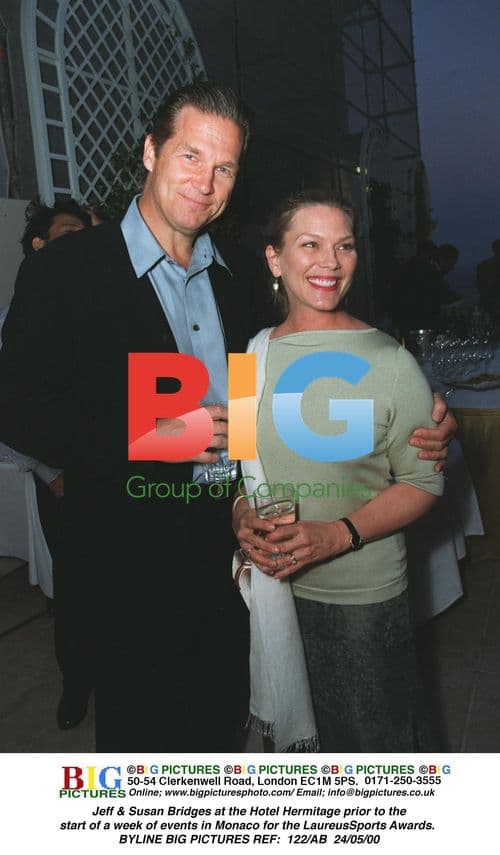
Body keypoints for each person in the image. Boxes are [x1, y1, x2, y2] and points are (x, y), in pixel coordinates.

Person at [0, 83, 454, 751]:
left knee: (224, 736)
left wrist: (417, 408)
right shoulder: (66, 270)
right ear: (151, 152)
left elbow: (291, 364)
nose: (205, 182)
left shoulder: (237, 276)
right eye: (190, 156)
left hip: (233, 556)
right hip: (126, 565)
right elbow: (17, 410)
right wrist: (146, 433)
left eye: (225, 168)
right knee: (146, 755)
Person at [232, 189, 445, 752]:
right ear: (275, 258)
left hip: (361, 598)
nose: (330, 261)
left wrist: (336, 534)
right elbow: (239, 470)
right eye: (310, 244)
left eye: (344, 246)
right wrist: (240, 515)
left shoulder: (389, 360)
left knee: (374, 755)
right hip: (273, 592)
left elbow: (424, 482)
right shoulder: (249, 358)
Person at [0, 196, 92, 730]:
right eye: (69, 233)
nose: (83, 243)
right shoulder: (15, 319)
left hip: (114, 472)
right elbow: (8, 413)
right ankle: (77, 685)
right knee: (75, 590)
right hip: (61, 480)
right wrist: (50, 472)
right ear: (40, 246)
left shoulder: (99, 305)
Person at [476, 238, 500, 321]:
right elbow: (481, 286)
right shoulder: (484, 265)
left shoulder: (484, 265)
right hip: (489, 304)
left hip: (488, 304)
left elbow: (480, 286)